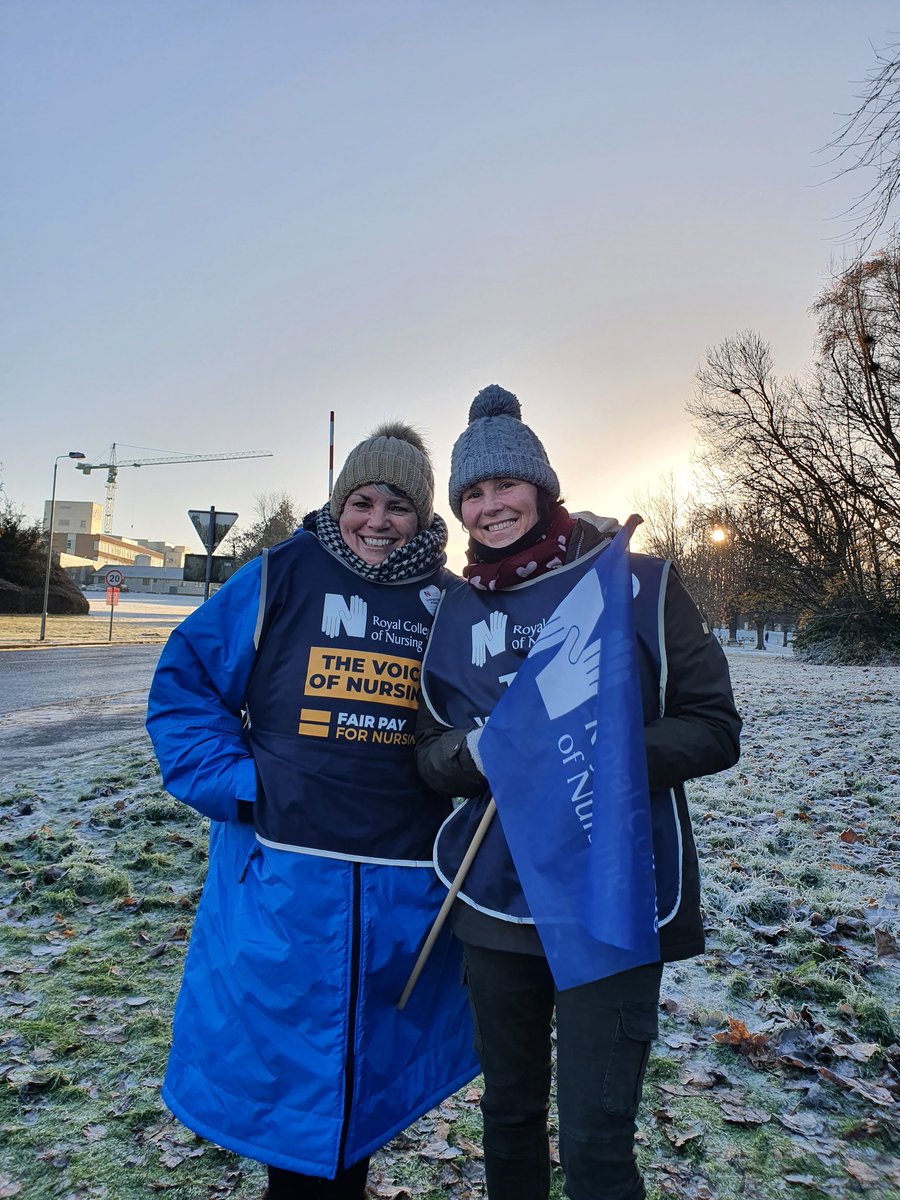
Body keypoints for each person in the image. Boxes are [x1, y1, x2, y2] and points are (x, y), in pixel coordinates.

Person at [415, 386, 742, 1200]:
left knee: (597, 1145)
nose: (490, 506)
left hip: (612, 899)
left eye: (506, 485)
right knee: (509, 1116)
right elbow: (430, 755)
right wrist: (481, 753)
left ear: (542, 487)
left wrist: (594, 754)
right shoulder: (453, 612)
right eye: (472, 494)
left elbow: (714, 729)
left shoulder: (638, 583)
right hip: (494, 901)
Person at [146, 422, 476, 1200]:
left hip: (408, 897)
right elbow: (186, 687)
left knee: (363, 1102)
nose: (377, 520)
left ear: (424, 514)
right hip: (283, 893)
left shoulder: (454, 604)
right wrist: (243, 785)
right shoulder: (280, 576)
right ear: (339, 503)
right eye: (362, 501)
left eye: (398, 505)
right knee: (295, 1114)